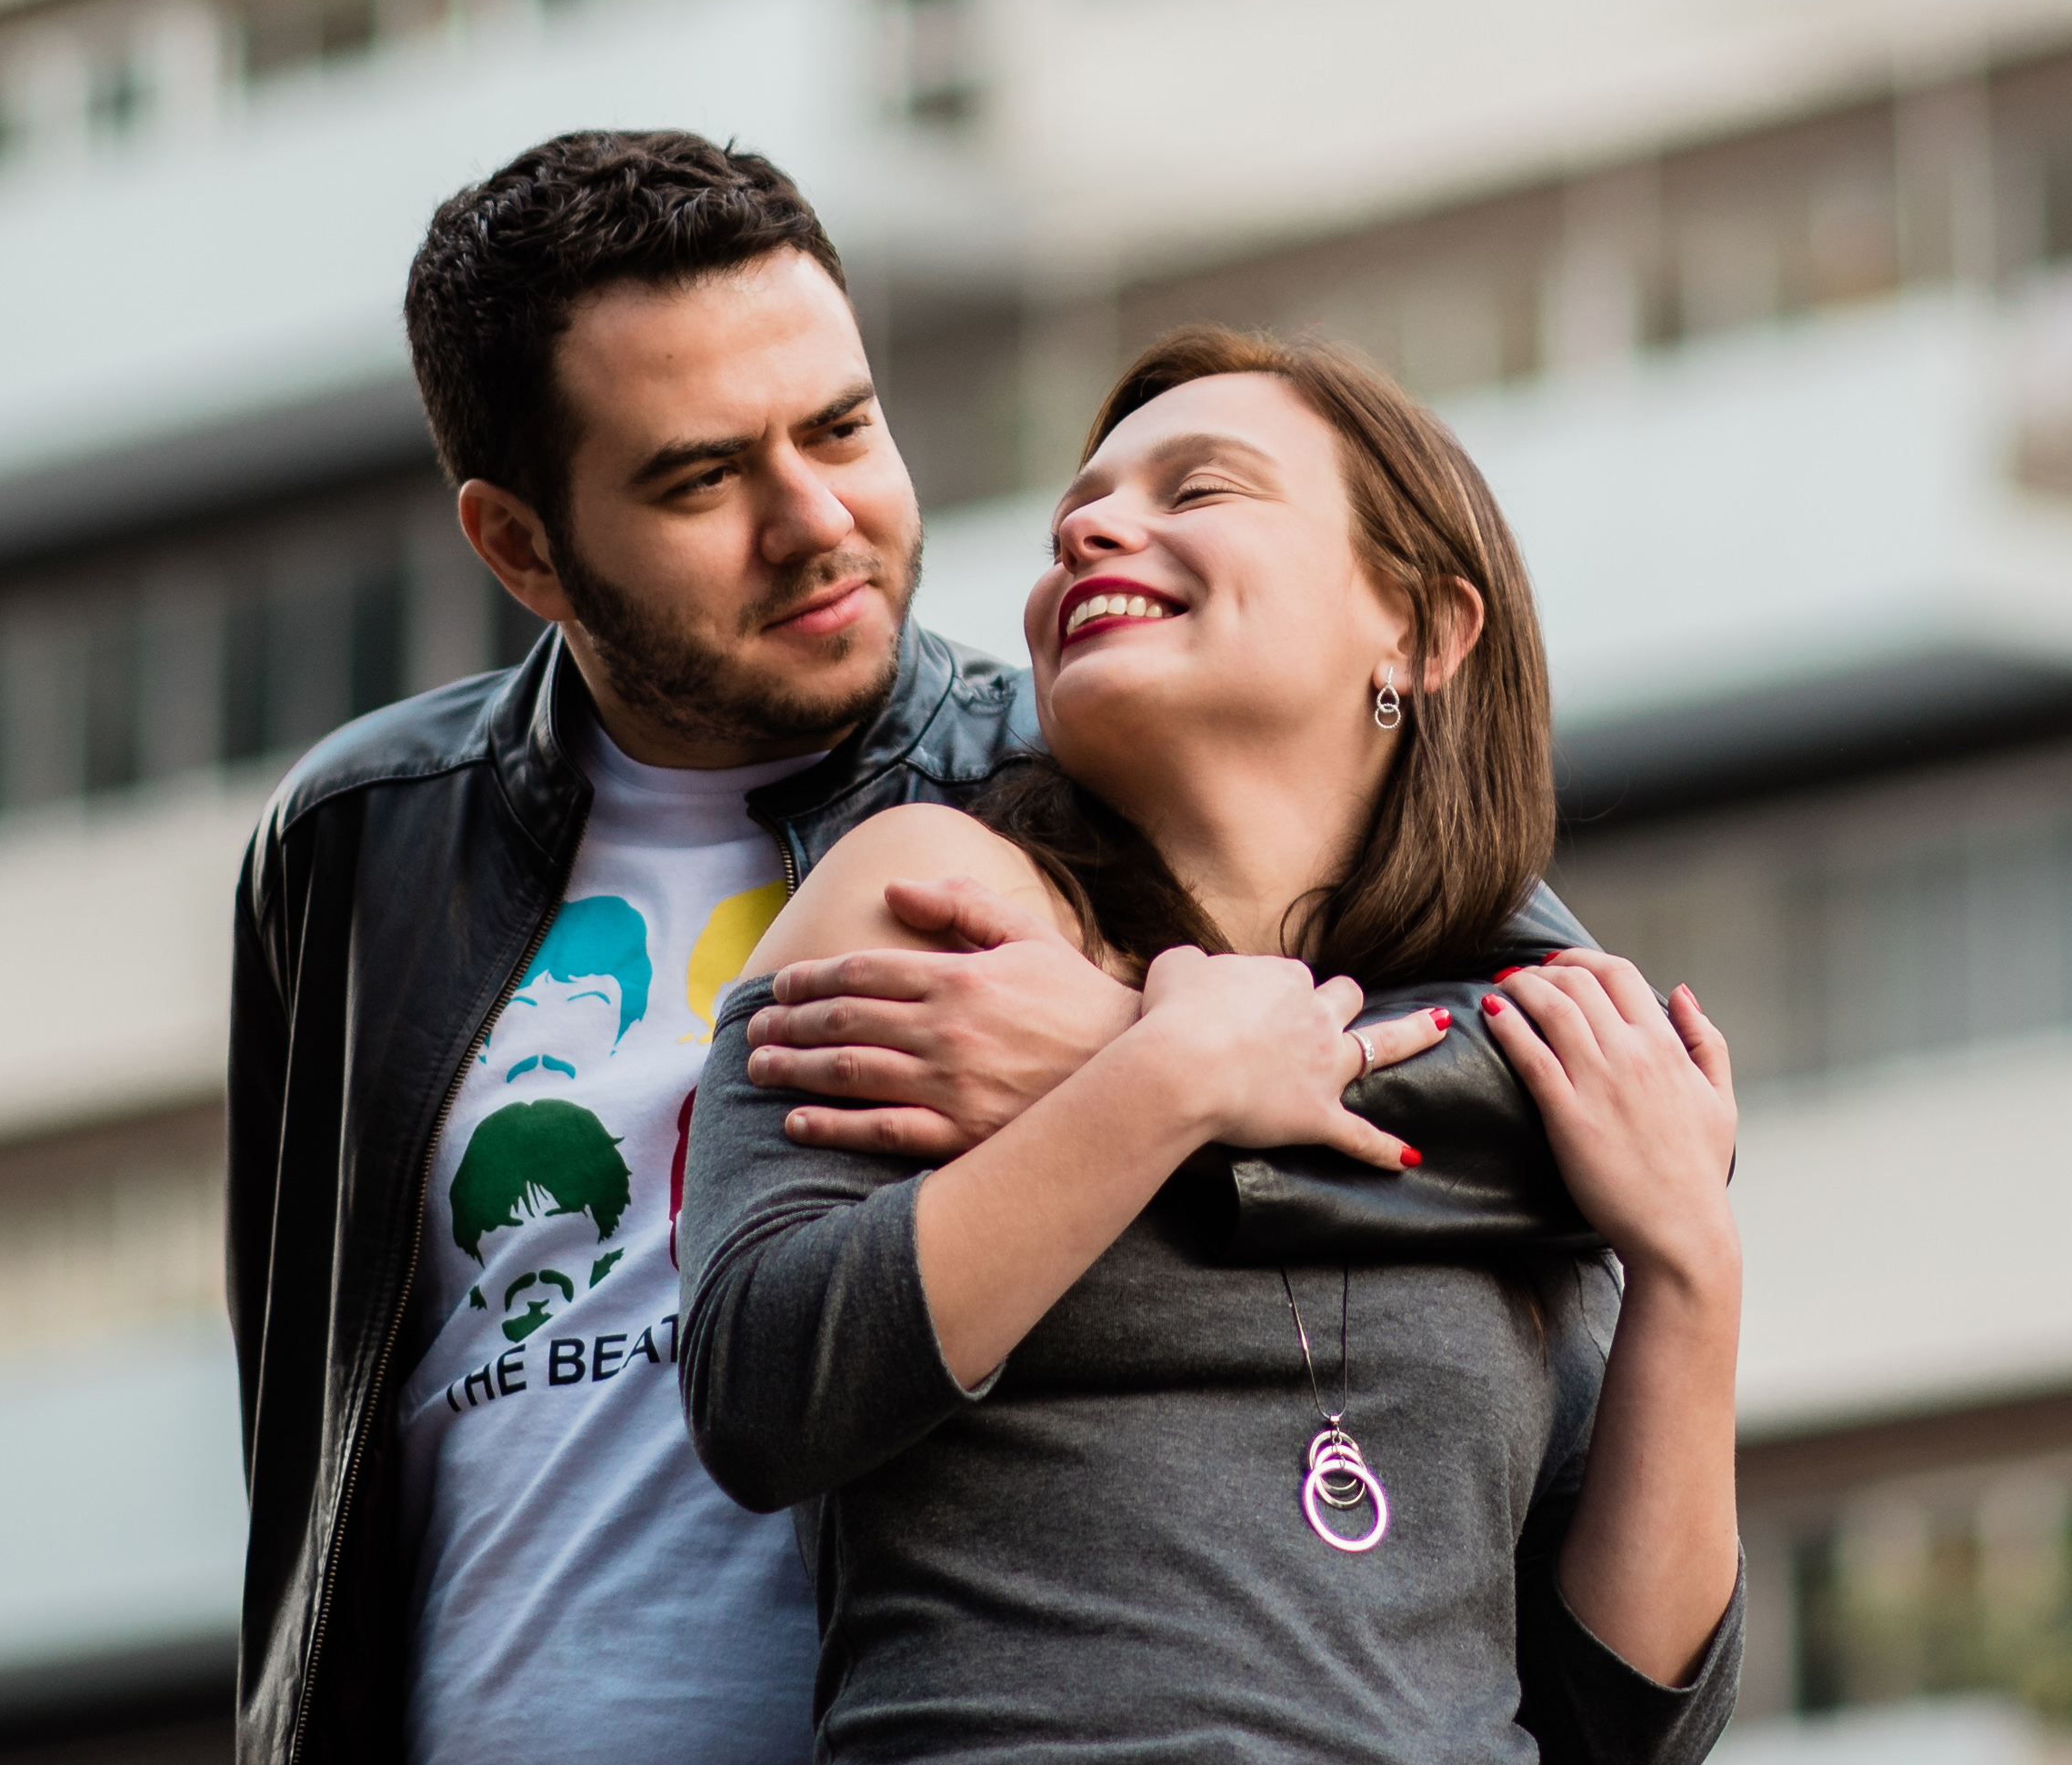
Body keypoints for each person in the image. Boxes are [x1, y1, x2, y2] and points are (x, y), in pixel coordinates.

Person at [225, 133, 1579, 1765]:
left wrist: (1122, 1059)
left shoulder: (1073, 766)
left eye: (844, 428)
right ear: (519, 546)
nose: (817, 521)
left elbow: (1578, 1083)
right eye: (702, 477)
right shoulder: (360, 841)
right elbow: (316, 1427)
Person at [678, 328, 1746, 1765]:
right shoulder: (937, 902)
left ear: (1423, 633)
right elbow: (763, 1387)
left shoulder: (1517, 1054)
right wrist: (1161, 1080)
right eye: (1081, 514)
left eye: (1201, 489)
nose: (1090, 528)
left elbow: (1627, 1727)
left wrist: (1690, 1268)